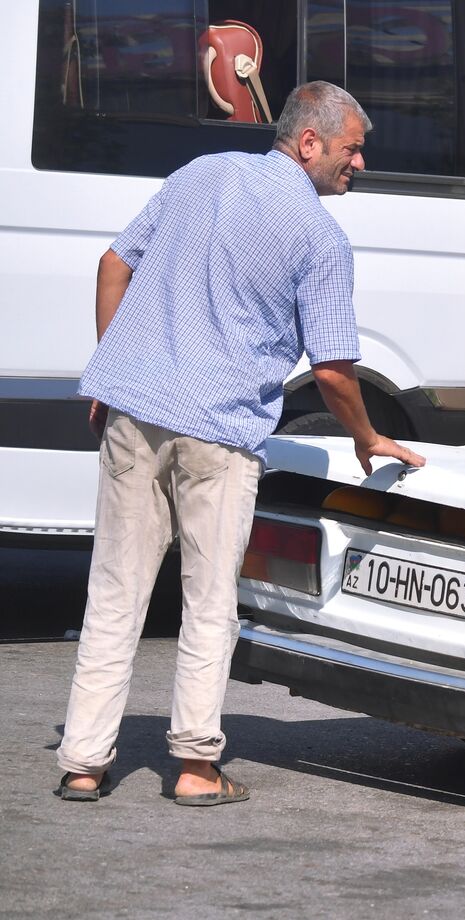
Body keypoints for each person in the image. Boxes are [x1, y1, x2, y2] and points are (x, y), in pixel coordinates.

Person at [55, 82, 425, 805]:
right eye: (352, 149)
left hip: (135, 415)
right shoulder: (320, 238)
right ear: (309, 142)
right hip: (219, 433)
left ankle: (82, 761)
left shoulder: (202, 173)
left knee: (114, 592)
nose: (359, 163)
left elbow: (113, 264)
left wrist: (114, 367)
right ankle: (195, 767)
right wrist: (368, 435)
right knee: (210, 600)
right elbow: (332, 368)